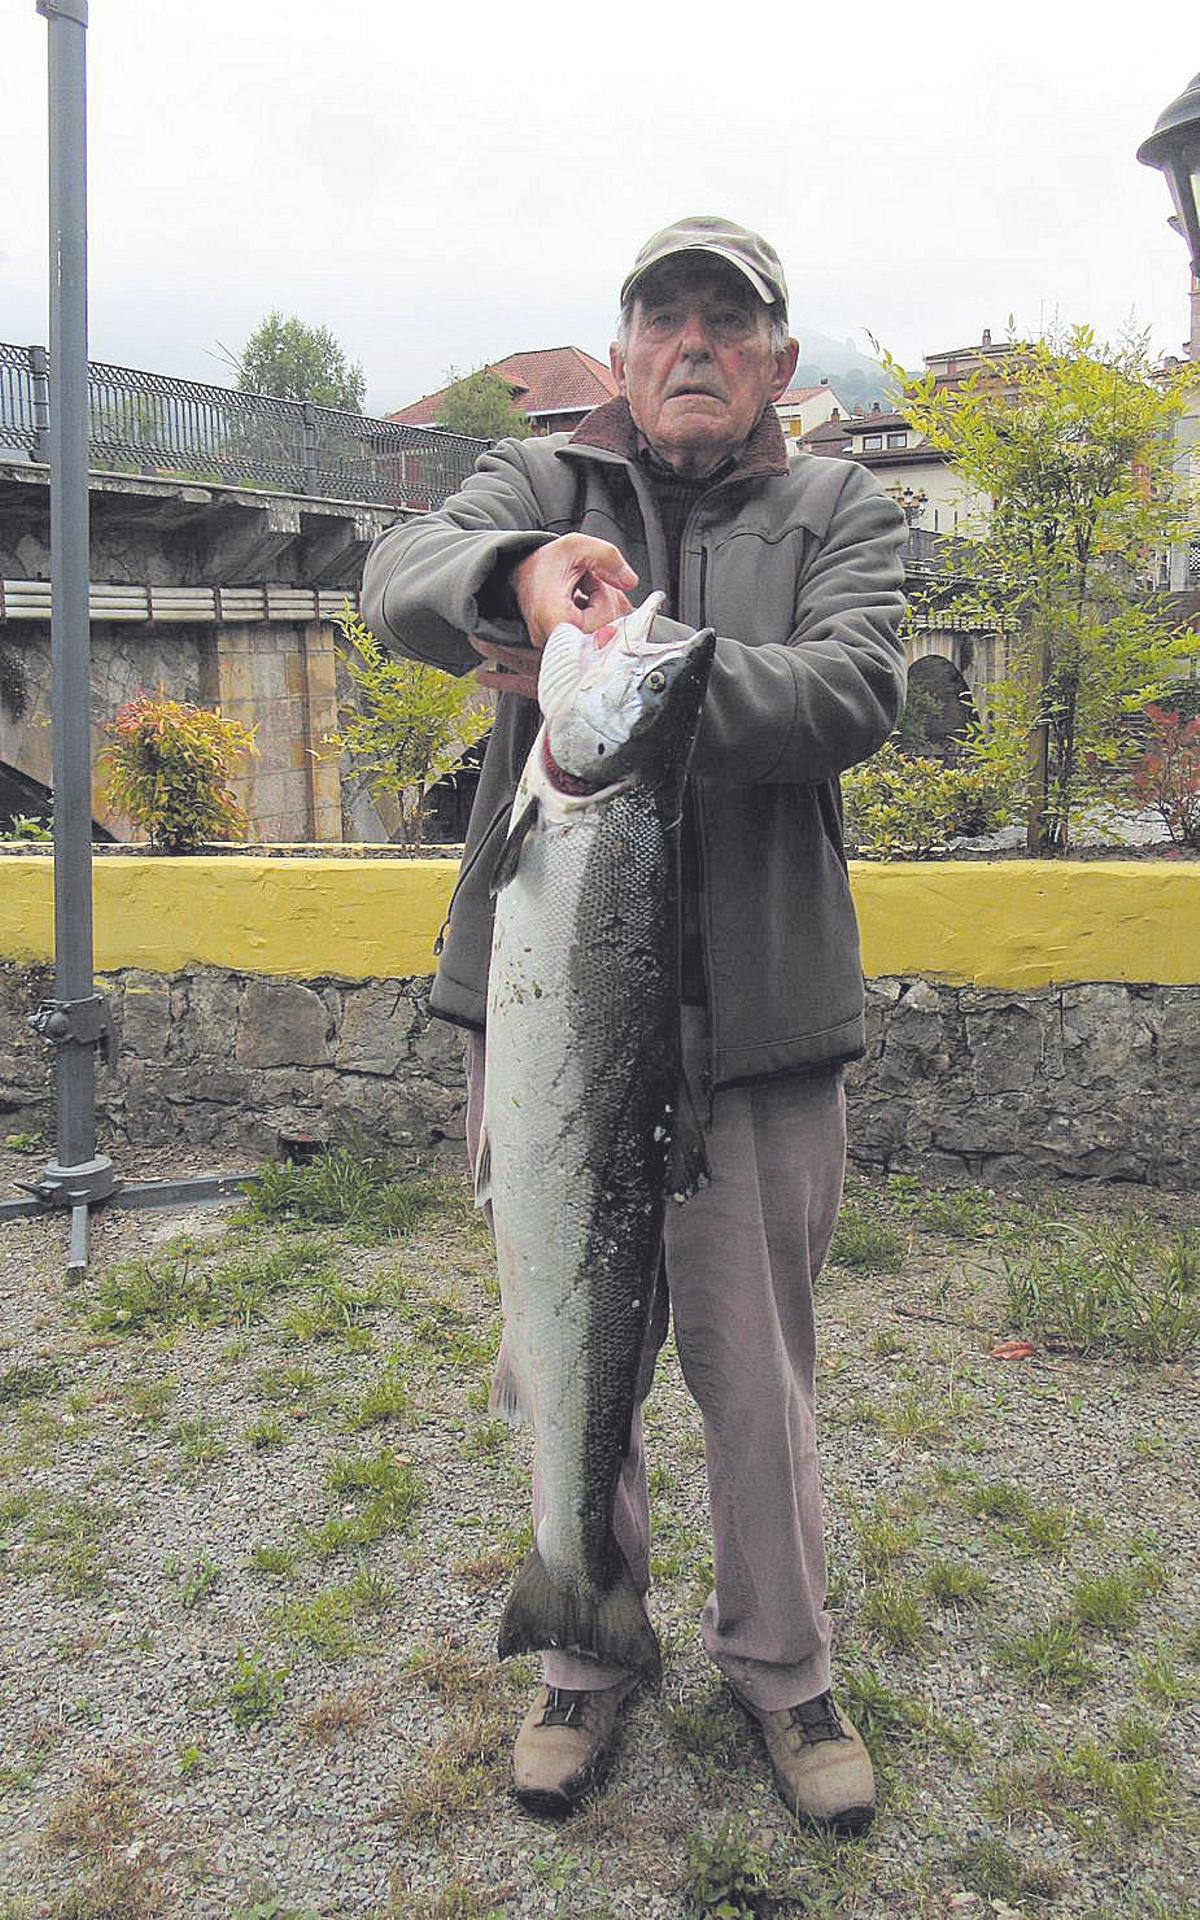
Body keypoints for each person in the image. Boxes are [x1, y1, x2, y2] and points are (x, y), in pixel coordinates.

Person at [361, 215, 907, 1833]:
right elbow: (395, 582)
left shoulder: (841, 505)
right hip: (545, 1021)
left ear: (777, 366)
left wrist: (636, 666)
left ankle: (783, 1671)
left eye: (726, 326)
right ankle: (584, 1652)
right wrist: (516, 577)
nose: (693, 346)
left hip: (761, 1030)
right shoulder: (546, 491)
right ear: (618, 356)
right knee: (565, 1339)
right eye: (663, 319)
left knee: (758, 1376)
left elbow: (852, 692)